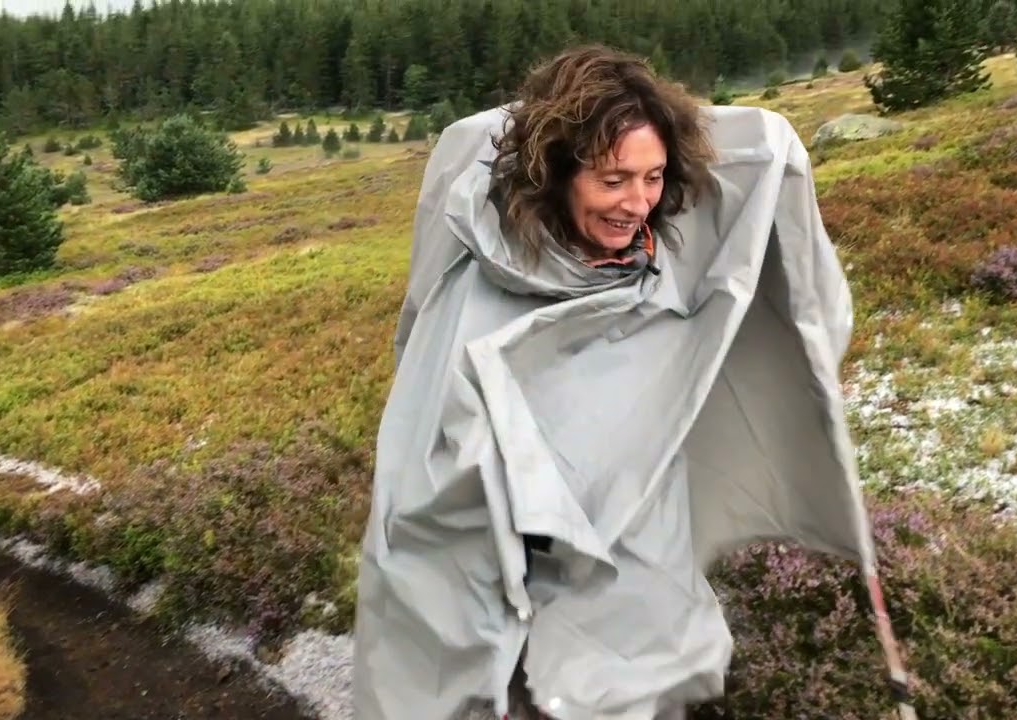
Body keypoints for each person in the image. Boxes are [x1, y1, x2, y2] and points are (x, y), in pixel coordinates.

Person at [352, 45, 912, 720]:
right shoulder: (476, 292)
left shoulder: (663, 263)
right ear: (555, 173)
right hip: (502, 564)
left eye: (653, 177)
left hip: (628, 569)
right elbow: (430, 487)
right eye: (613, 179)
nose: (638, 203)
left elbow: (753, 172)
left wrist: (778, 149)